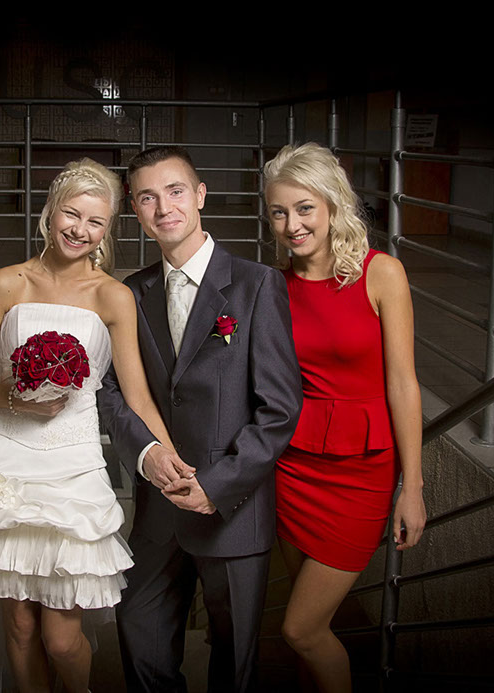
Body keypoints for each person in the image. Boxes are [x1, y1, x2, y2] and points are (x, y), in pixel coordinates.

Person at [0, 158, 179, 693]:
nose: (79, 230)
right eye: (71, 214)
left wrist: (169, 454)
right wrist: (15, 399)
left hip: (73, 467)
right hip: (7, 458)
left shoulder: (114, 296)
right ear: (50, 212)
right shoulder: (8, 282)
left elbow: (136, 395)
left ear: (107, 231)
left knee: (62, 639)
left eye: (95, 222)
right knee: (19, 627)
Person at [97, 146, 303, 693]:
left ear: (200, 195)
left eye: (175, 191)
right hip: (158, 511)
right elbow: (112, 392)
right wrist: (146, 453)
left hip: (231, 510)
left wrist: (216, 485)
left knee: (234, 665)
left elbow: (280, 408)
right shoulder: (131, 292)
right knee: (138, 632)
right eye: (147, 197)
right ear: (135, 210)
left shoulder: (256, 284)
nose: (164, 207)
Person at [263, 142, 427, 693]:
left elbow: (403, 383)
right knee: (307, 626)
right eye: (279, 212)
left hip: (362, 471)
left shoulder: (382, 274)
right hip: (294, 466)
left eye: (304, 208)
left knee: (301, 628)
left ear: (333, 205)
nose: (292, 224)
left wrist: (412, 486)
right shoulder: (273, 286)